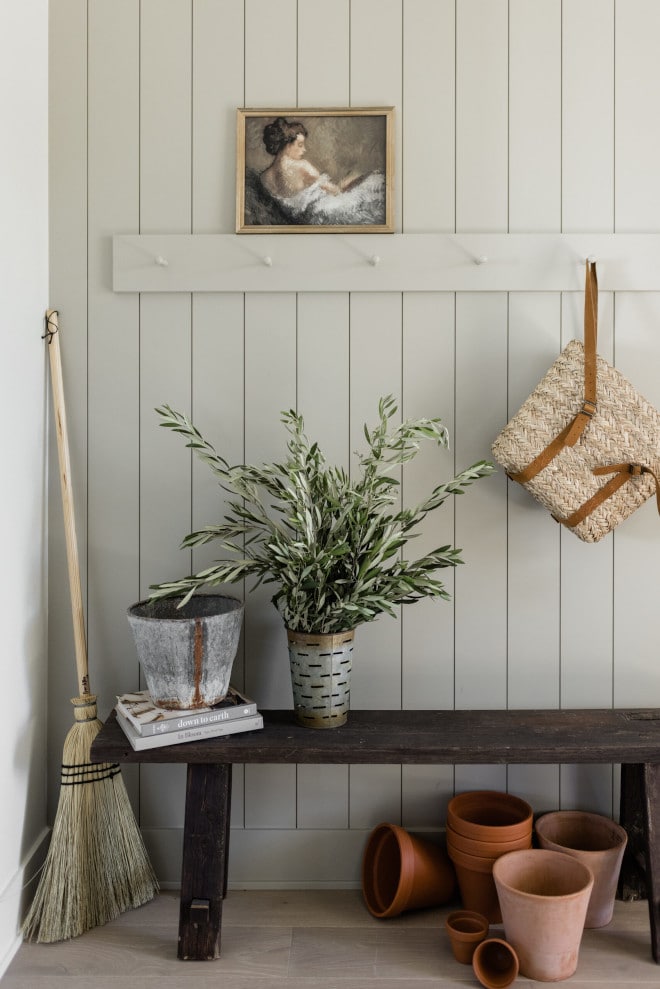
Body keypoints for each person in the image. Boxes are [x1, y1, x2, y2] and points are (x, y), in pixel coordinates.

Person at [256, 116, 385, 226]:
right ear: (287, 144)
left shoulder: (263, 178)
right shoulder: (302, 167)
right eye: (300, 145)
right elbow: (336, 191)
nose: (304, 150)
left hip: (307, 218)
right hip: (327, 211)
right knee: (373, 181)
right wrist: (351, 180)